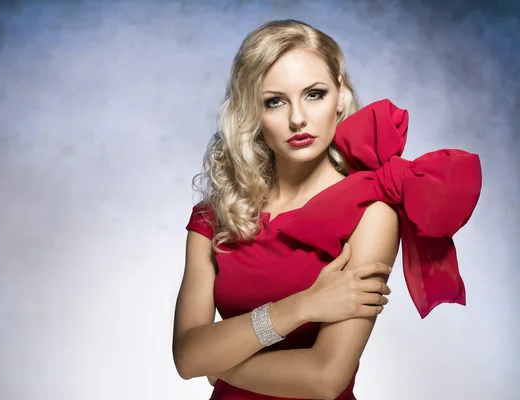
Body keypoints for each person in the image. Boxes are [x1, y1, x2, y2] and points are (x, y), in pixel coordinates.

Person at [172, 19, 482, 400]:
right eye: (275, 101)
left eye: (314, 94)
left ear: (340, 93)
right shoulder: (213, 216)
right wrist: (302, 306)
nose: (297, 118)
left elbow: (324, 378)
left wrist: (217, 362)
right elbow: (187, 357)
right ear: (252, 110)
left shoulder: (372, 212)